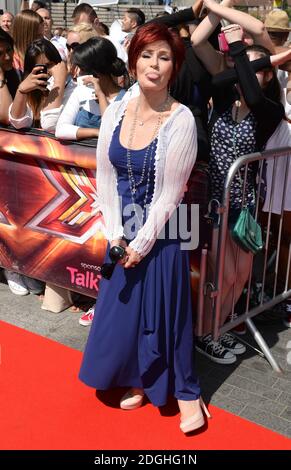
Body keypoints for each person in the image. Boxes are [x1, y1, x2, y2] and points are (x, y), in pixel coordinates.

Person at [79, 22, 211, 434]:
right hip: (122, 227)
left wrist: (142, 240)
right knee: (126, 310)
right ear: (133, 60)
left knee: (163, 314)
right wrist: (116, 232)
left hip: (165, 228)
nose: (154, 64)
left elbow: (171, 194)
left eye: (165, 57)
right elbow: (104, 174)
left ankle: (187, 392)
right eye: (147, 54)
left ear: (175, 67)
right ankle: (135, 376)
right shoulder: (117, 107)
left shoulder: (182, 119)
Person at [195, 24, 286, 363]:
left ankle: (217, 327)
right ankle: (205, 332)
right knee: (220, 274)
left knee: (240, 275)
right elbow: (217, 80)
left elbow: (252, 93)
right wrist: (248, 57)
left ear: (267, 77)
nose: (248, 72)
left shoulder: (269, 112)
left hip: (244, 206)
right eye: (245, 66)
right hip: (214, 203)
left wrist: (244, 55)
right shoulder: (221, 99)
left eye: (259, 69)